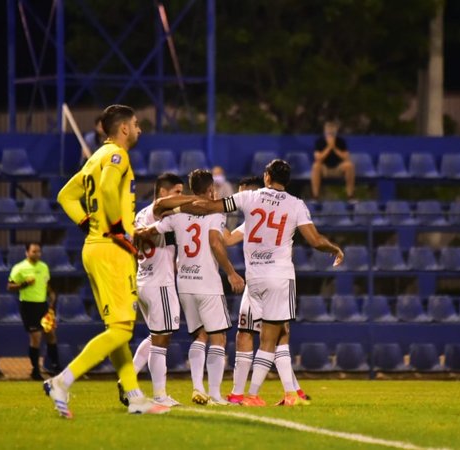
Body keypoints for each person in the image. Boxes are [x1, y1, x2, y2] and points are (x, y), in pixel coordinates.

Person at [151, 159, 344, 406]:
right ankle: (260, 393)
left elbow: (209, 208)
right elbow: (315, 240)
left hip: (254, 278)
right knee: (273, 338)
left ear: (266, 176)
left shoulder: (249, 199)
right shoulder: (297, 204)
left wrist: (176, 208)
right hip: (280, 276)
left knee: (253, 335)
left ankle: (275, 392)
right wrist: (334, 248)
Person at [48, 104, 169, 418]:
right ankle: (62, 381)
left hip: (93, 246)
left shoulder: (94, 159)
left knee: (117, 328)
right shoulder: (117, 155)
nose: (140, 130)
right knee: (122, 332)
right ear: (125, 128)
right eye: (137, 124)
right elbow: (105, 188)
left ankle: (134, 395)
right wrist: (115, 228)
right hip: (112, 250)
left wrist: (87, 222)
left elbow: (65, 196)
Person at [138, 169, 245, 406]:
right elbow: (216, 242)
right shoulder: (215, 211)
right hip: (207, 282)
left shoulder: (178, 212)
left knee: (200, 335)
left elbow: (151, 230)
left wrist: (138, 232)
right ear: (211, 190)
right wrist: (231, 272)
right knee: (218, 338)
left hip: (184, 283)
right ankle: (215, 395)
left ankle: (198, 387)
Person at [222, 177, 309, 405]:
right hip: (258, 285)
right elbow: (229, 239)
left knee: (278, 336)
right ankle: (240, 394)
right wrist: (218, 220)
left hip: (272, 282)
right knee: (247, 334)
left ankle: (291, 392)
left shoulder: (269, 211)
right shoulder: (251, 221)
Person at [117, 173, 185, 408]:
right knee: (161, 340)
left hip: (145, 280)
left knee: (156, 335)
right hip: (159, 283)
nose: (180, 197)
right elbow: (163, 206)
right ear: (163, 193)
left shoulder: (141, 214)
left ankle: (127, 378)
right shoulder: (156, 211)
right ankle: (160, 395)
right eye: (177, 192)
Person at [8, 242, 59, 381]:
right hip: (28, 306)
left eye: (38, 251)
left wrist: (51, 293)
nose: (37, 254)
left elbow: (46, 282)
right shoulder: (19, 268)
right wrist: (24, 284)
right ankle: (35, 370)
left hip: (43, 305)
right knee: (36, 337)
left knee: (51, 334)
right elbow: (10, 286)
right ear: (27, 253)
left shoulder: (44, 267)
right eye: (34, 251)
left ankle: (56, 367)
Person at [311, 120, 355, 201]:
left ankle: (350, 196)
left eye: (332, 131)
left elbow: (346, 157)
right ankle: (315, 197)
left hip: (338, 168)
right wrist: (329, 147)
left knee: (349, 165)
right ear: (325, 131)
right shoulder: (319, 141)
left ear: (336, 131)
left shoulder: (341, 141)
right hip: (325, 169)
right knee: (316, 166)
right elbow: (318, 158)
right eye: (328, 131)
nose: (330, 133)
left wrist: (334, 147)